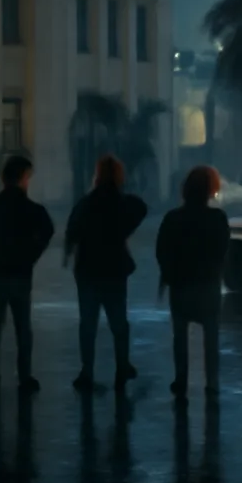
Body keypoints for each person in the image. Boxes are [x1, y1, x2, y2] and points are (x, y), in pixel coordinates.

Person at [0, 154, 55, 392]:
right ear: (23, 178)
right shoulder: (31, 209)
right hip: (20, 274)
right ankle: (24, 375)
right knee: (22, 326)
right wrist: (32, 255)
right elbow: (48, 230)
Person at [64, 154, 147, 391]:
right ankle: (122, 365)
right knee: (119, 321)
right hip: (114, 269)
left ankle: (87, 371)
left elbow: (73, 230)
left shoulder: (86, 203)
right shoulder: (122, 203)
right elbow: (140, 208)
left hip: (88, 269)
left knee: (87, 323)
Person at [155, 165, 230, 404]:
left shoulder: (173, 218)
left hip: (181, 285)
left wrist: (168, 274)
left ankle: (181, 380)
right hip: (208, 285)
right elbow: (222, 250)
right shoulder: (218, 219)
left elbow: (162, 251)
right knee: (211, 336)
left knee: (180, 336)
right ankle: (212, 382)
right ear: (210, 190)